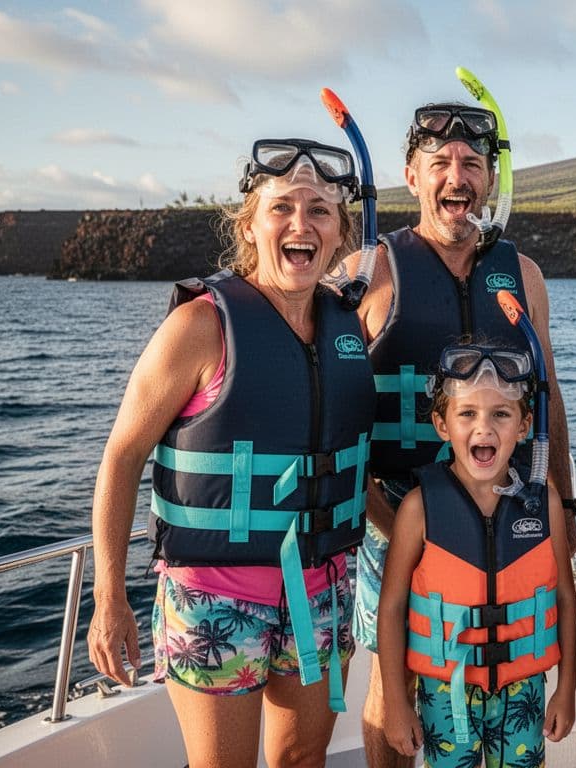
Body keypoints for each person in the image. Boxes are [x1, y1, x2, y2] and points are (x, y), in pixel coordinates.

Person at [88, 138, 376, 767]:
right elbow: (121, 459)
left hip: (321, 590)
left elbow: (357, 459)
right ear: (251, 223)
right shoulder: (199, 326)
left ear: (339, 234)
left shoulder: (347, 329)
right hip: (215, 598)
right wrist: (108, 598)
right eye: (283, 208)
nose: (301, 224)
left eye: (320, 210)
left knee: (303, 760)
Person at [347, 102, 574, 768]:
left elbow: (548, 397)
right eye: (440, 163)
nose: (457, 176)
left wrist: (562, 499)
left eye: (472, 164)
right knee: (396, 683)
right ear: (411, 175)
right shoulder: (370, 270)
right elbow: (332, 409)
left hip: (503, 513)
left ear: (490, 181)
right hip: (393, 511)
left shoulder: (523, 273)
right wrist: (379, 515)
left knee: (493, 664)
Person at [377, 343, 576, 766]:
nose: (483, 428)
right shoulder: (419, 508)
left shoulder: (544, 505)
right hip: (443, 691)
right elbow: (393, 605)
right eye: (467, 413)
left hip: (524, 686)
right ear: (442, 424)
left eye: (501, 414)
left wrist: (567, 688)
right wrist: (396, 700)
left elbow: (563, 597)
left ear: (524, 426)